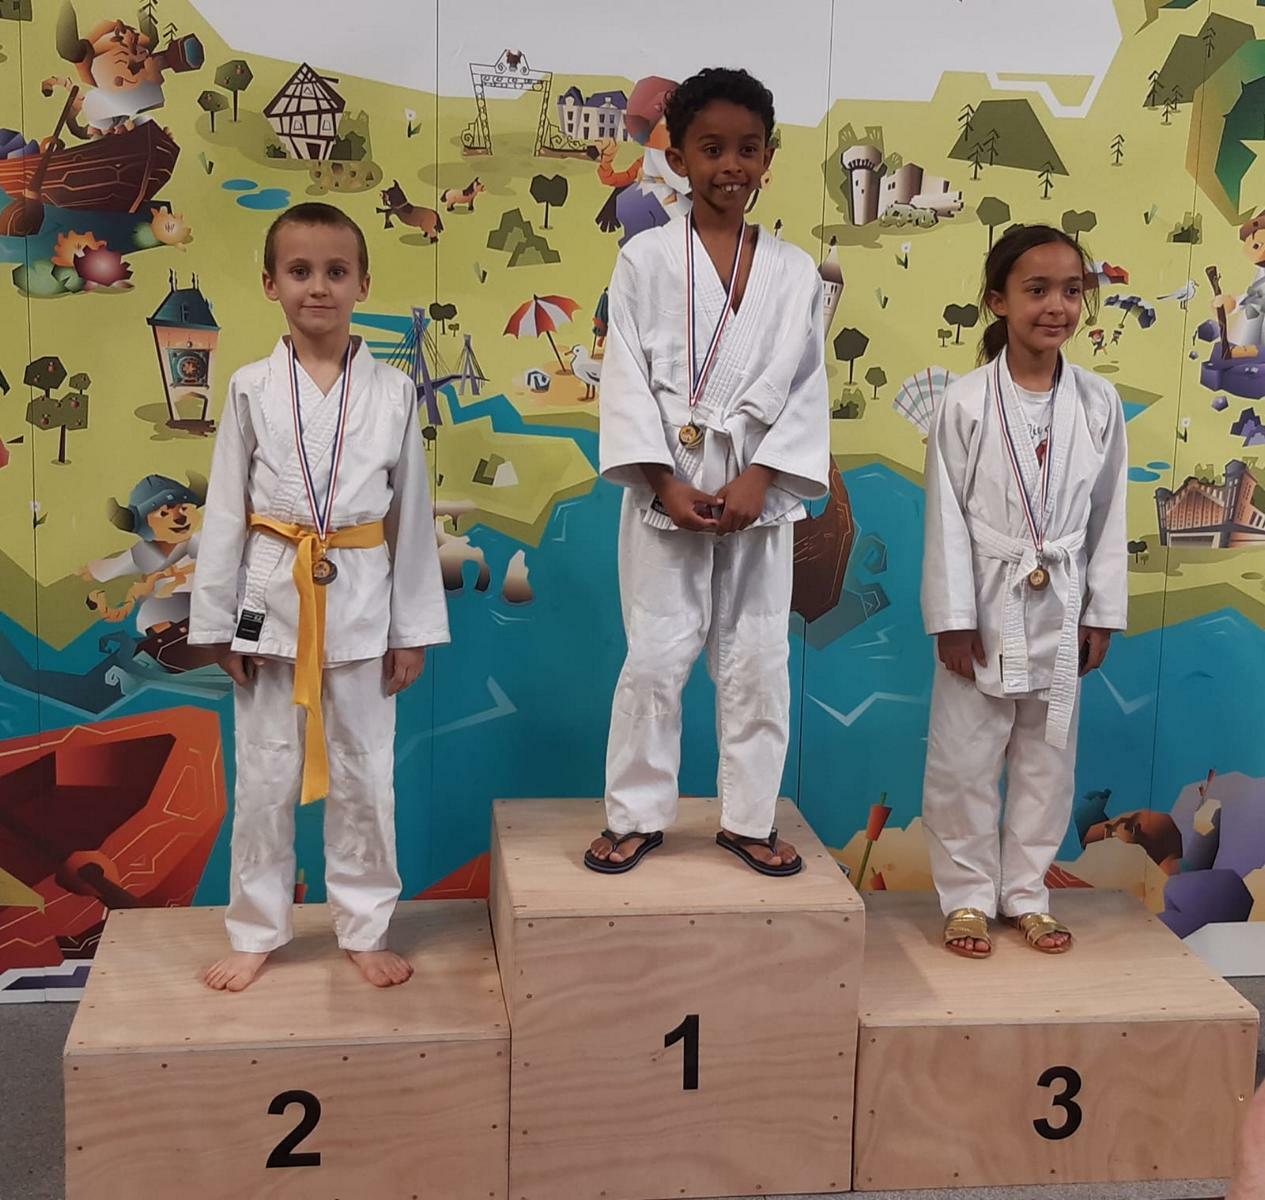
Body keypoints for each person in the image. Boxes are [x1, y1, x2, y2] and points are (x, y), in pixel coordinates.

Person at [189, 203, 449, 990]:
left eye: (336, 272)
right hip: (271, 601)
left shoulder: (394, 391)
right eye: (299, 271)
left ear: (363, 283)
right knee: (265, 776)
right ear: (270, 283)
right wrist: (217, 625)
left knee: (366, 775)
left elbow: (410, 517)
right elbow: (225, 510)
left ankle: (364, 926)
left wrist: (412, 630)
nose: (318, 287)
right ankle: (256, 928)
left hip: (363, 600)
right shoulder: (249, 387)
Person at [586, 68, 830, 877]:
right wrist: (662, 481)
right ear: (679, 158)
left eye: (747, 149)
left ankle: (749, 818)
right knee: (654, 657)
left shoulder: (795, 271)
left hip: (758, 481)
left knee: (758, 657)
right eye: (712, 148)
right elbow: (624, 376)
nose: (731, 165)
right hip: (670, 477)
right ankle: (635, 812)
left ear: (767, 159)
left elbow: (806, 385)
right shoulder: (645, 259)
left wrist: (762, 478)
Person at [921, 223, 1128, 958]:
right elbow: (944, 516)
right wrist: (952, 618)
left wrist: (1102, 611)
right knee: (964, 758)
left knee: (1048, 758)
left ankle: (1027, 894)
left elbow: (1109, 512)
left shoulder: (1098, 402)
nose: (1056, 306)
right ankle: (967, 897)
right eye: (1036, 289)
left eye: (1071, 290)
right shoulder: (965, 402)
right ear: (997, 301)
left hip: (1062, 598)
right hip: (986, 596)